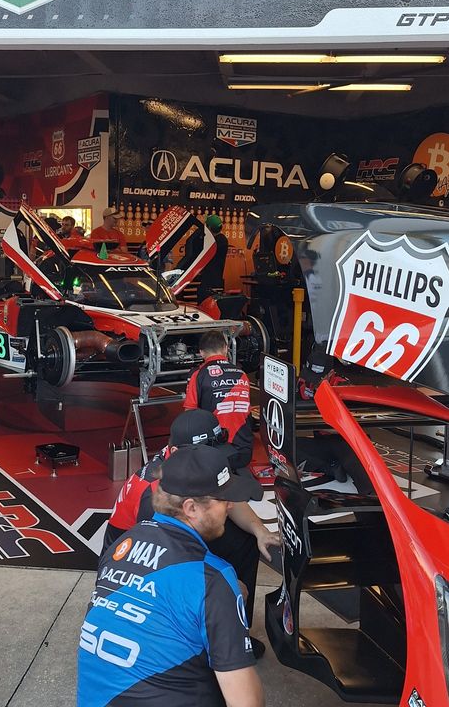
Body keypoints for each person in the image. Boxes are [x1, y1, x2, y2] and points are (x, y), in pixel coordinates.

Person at [78, 444, 266, 707]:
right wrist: (227, 607)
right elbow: (246, 703)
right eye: (223, 499)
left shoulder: (119, 549)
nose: (230, 505)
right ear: (190, 508)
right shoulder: (213, 579)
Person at [102, 409, 278, 658]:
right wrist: (222, 586)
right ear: (176, 452)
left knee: (245, 539)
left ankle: (235, 633)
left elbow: (227, 494)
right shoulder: (154, 494)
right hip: (133, 562)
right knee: (206, 586)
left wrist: (260, 530)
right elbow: (165, 562)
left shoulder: (192, 463)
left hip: (170, 542)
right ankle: (198, 642)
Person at [184, 330, 253, 469]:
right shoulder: (242, 374)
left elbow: (189, 415)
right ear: (226, 348)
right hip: (245, 451)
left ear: (201, 352)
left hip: (214, 453)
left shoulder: (198, 375)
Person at [197, 214, 229, 302]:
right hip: (214, 281)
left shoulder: (216, 241)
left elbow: (198, 244)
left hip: (210, 283)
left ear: (209, 228)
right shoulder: (222, 239)